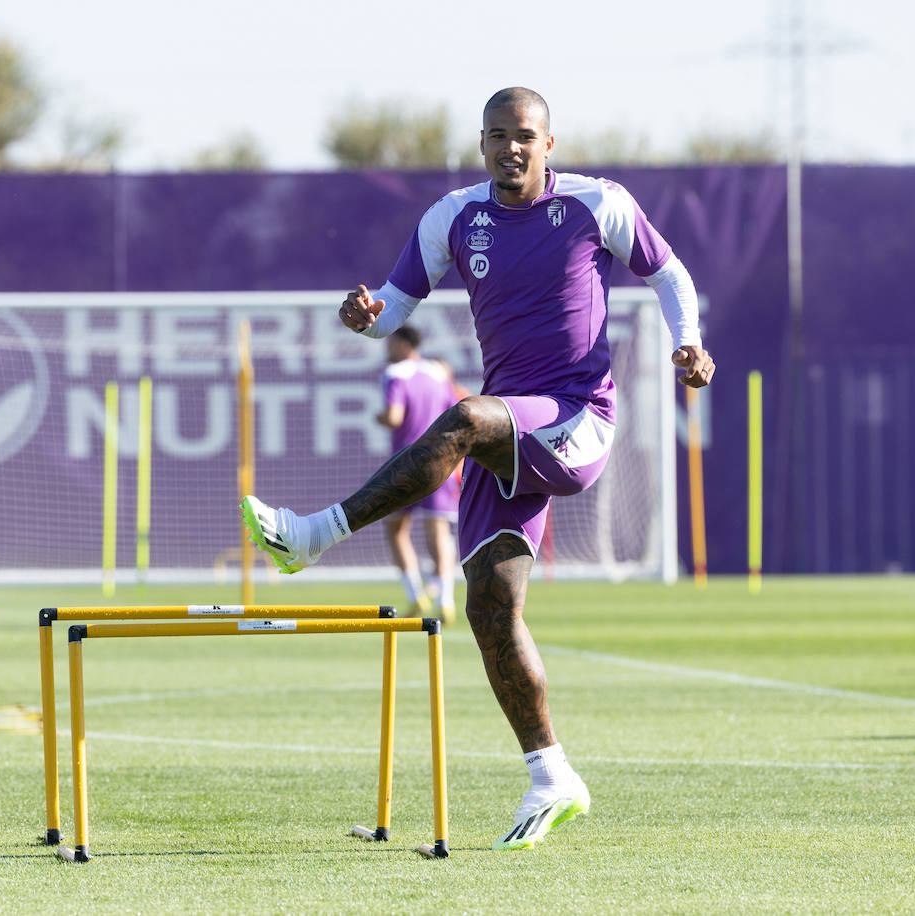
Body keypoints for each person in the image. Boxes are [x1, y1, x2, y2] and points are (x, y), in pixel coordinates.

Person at [242, 87, 715, 850]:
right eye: (496, 136)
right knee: (491, 610)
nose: (510, 148)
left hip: (575, 419)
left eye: (524, 135)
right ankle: (551, 774)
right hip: (513, 430)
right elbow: (396, 305)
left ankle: (314, 536)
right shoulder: (454, 218)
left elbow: (668, 273)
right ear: (483, 143)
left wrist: (688, 341)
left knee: (465, 418)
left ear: (549, 144)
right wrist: (368, 316)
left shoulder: (599, 204)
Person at [374, 326, 460, 624]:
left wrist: (380, 417)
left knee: (397, 529)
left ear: (401, 344)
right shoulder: (438, 373)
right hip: (441, 459)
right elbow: (454, 409)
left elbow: (394, 416)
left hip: (406, 462)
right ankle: (446, 600)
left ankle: (416, 596)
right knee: (439, 532)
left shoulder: (395, 373)